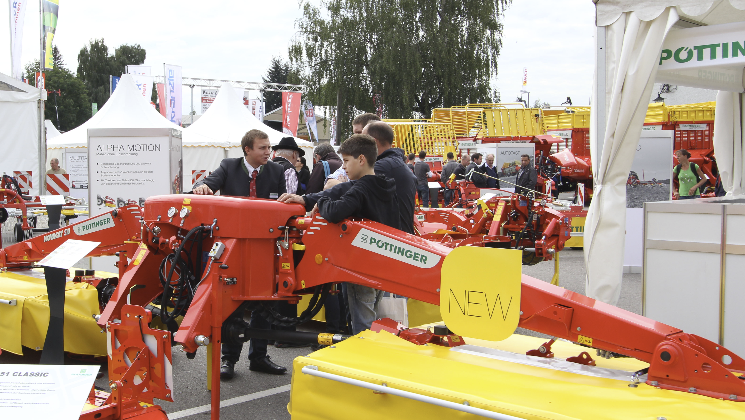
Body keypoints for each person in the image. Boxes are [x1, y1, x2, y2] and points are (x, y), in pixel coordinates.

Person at [280, 134, 400, 334]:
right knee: (372, 313)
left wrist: (322, 203)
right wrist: (310, 198)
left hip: (360, 265)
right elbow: (344, 190)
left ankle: (361, 358)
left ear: (361, 159)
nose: (343, 167)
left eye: (346, 161)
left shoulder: (360, 189)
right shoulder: (385, 185)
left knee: (362, 321)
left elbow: (335, 212)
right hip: (382, 262)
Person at [192, 129, 288, 379]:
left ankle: (259, 357)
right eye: (263, 148)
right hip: (234, 249)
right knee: (233, 302)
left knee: (264, 303)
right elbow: (207, 184)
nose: (268, 152)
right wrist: (202, 187)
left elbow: (281, 207)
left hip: (266, 248)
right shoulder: (228, 166)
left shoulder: (277, 171)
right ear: (247, 149)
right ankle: (229, 360)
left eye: (269, 148)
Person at [270, 137, 306, 348]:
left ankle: (275, 330)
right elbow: (289, 200)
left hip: (268, 231)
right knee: (286, 279)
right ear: (293, 155)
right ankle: (285, 334)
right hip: (284, 234)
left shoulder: (269, 168)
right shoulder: (289, 170)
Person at [363, 121, 417, 234]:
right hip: (400, 237)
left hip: (391, 241)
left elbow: (353, 190)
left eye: (362, 140)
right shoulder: (396, 164)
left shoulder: (381, 167)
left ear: (373, 141)